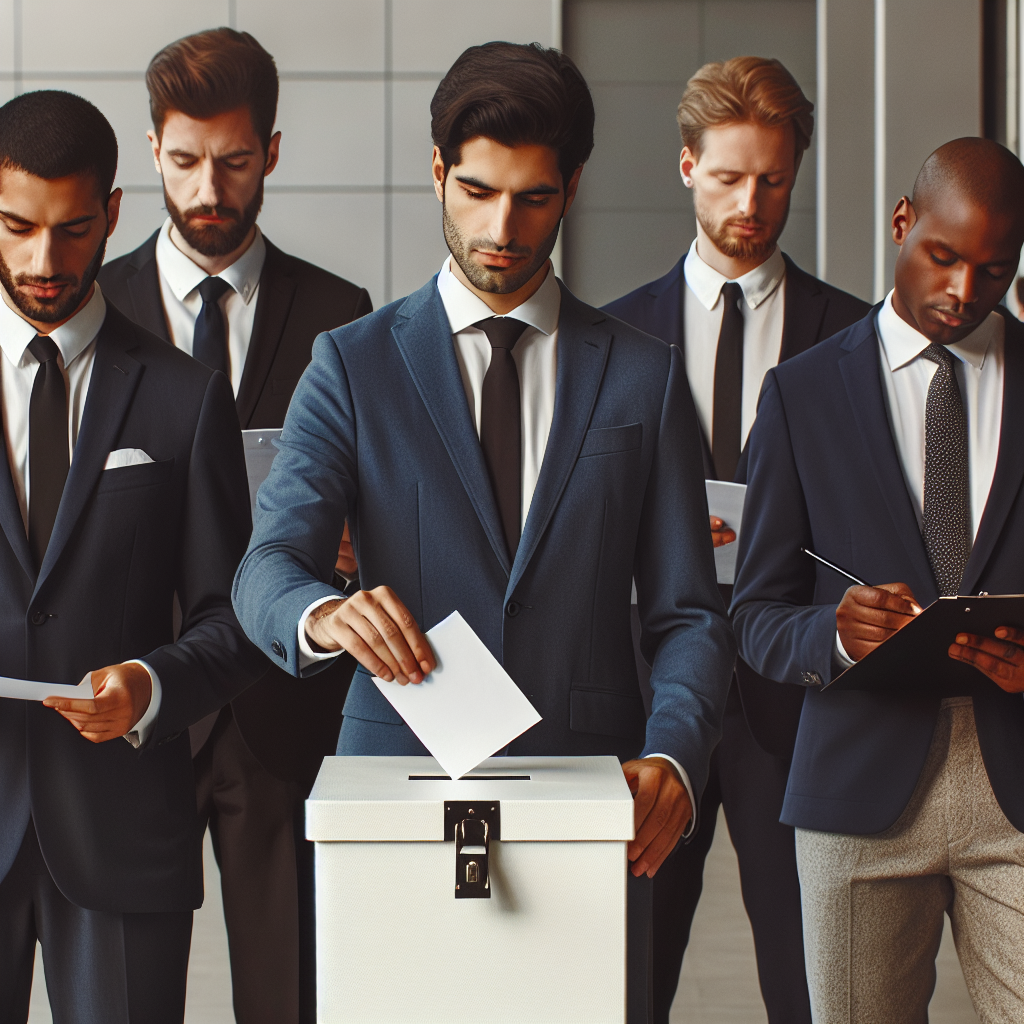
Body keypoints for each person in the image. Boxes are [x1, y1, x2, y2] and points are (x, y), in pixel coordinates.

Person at [232, 41, 735, 1024]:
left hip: (594, 797)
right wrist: (325, 614)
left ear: (572, 186)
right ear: (436, 173)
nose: (501, 227)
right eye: (476, 191)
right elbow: (265, 567)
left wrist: (675, 753)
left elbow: (687, 613)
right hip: (395, 788)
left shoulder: (643, 375)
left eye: (533, 198)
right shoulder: (352, 365)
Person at [98, 29, 371, 1024]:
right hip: (137, 702)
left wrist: (355, 546)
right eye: (183, 161)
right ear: (152, 149)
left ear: (274, 151)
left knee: (288, 997)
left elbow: (374, 502)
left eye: (235, 161)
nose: (208, 188)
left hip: (280, 708)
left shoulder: (340, 316)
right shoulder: (96, 308)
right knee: (126, 997)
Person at [731, 137, 1024, 1022]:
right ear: (903, 223)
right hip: (855, 796)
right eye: (943, 256)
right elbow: (754, 614)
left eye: (994, 270)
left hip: (1015, 792)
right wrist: (832, 632)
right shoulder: (801, 394)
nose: (964, 292)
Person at [604, 56, 868, 1024]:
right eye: (727, 177)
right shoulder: (612, 336)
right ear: (685, 166)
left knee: (809, 975)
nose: (750, 203)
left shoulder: (857, 337)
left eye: (772, 180)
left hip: (795, 697)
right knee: (629, 968)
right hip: (648, 690)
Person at [0, 89, 263, 1023]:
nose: (44, 261)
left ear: (113, 212)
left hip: (121, 830)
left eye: (73, 230)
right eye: (17, 227)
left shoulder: (186, 398)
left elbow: (234, 619)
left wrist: (151, 687)